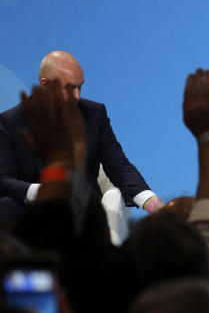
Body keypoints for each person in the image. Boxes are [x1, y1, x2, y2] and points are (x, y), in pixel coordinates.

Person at [0, 51, 161, 225]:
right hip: (34, 214)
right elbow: (4, 179)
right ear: (44, 85)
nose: (77, 96)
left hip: (85, 214)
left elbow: (119, 166)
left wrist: (153, 205)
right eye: (69, 88)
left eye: (80, 87)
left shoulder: (94, 113)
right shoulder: (10, 122)